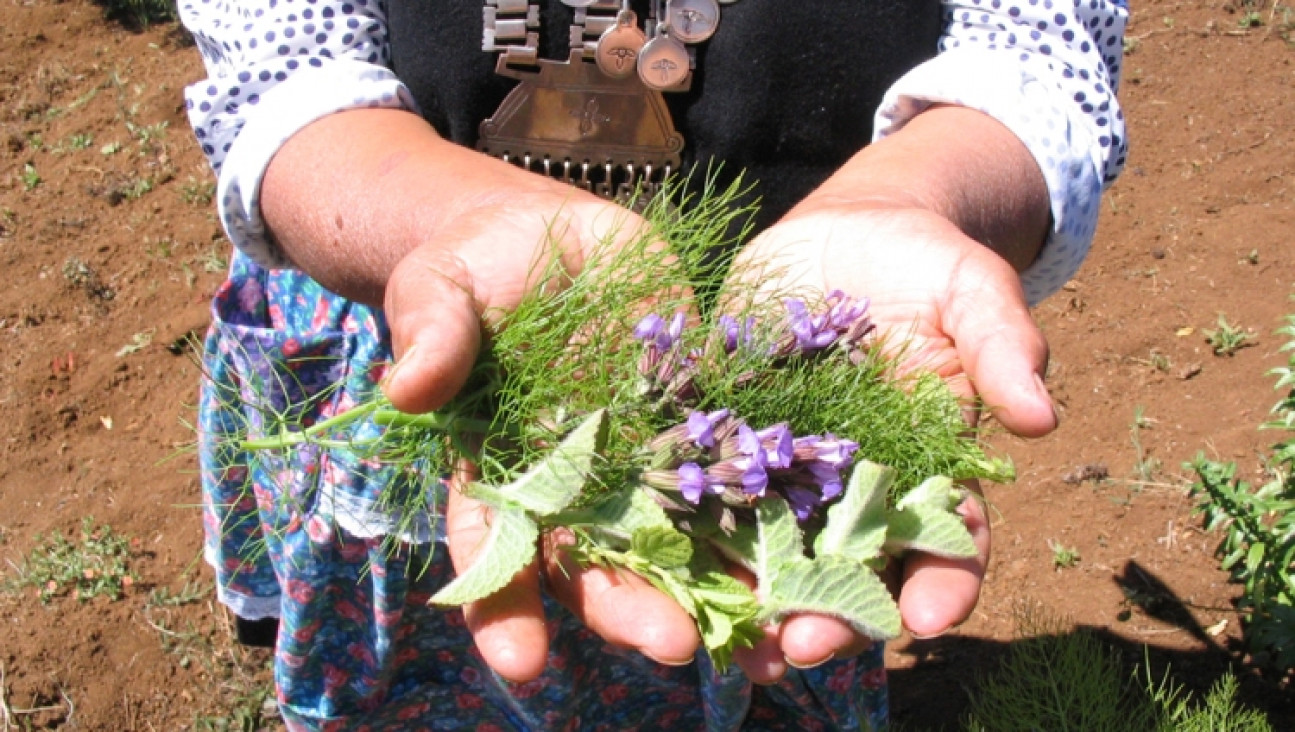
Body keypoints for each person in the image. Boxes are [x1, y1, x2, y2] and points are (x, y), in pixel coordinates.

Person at [181, 0, 1129, 729]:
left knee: (752, 614)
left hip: (786, 334)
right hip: (425, 287)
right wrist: (444, 216)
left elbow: (1034, 57)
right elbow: (284, 78)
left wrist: (916, 194)